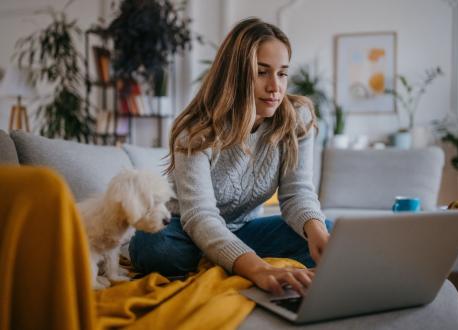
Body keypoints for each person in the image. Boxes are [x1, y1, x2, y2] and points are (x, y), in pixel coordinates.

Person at [129, 17, 330, 296]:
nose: (275, 87)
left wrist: (316, 230)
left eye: (282, 73)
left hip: (241, 229)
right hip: (182, 226)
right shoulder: (196, 129)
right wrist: (259, 269)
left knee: (324, 231)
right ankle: (236, 258)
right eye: (262, 72)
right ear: (235, 73)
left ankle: (226, 256)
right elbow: (200, 215)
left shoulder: (298, 119)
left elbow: (297, 194)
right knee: (155, 247)